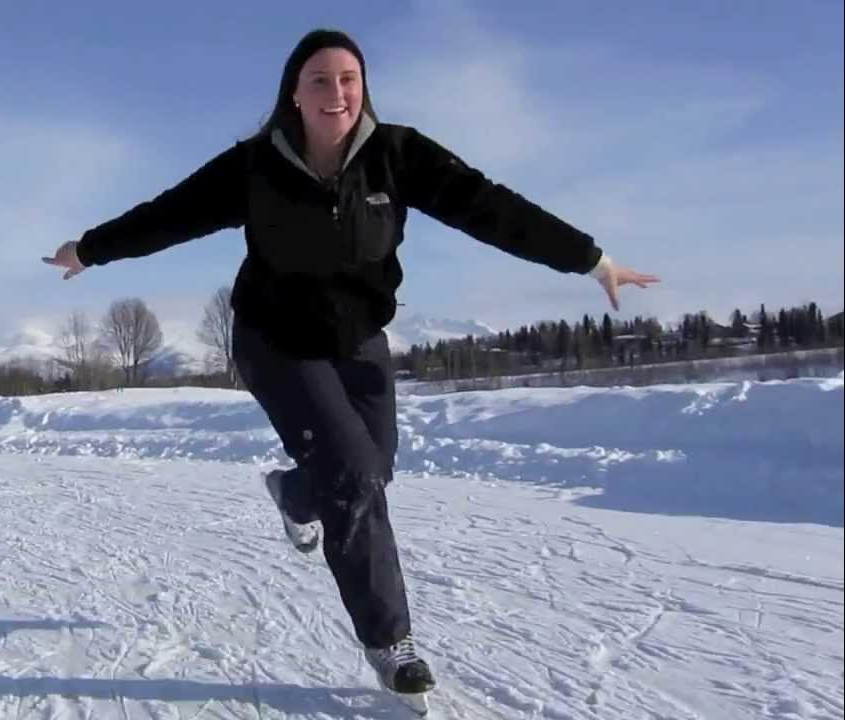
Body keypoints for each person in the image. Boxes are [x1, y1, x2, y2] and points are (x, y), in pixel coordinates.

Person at [43, 28, 659, 700]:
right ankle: (391, 645)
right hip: (275, 341)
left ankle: (295, 493)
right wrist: (92, 249)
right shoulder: (255, 166)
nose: (336, 92)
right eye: (320, 80)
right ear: (295, 95)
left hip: (361, 341)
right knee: (354, 474)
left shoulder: (398, 155)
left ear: (362, 89)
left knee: (371, 469)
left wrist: (590, 259)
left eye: (348, 79)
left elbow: (492, 208)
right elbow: (171, 214)